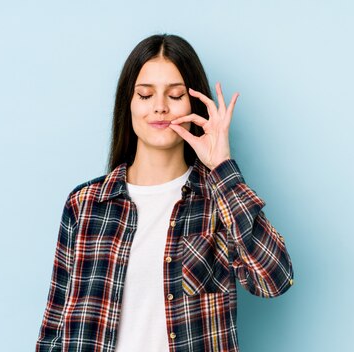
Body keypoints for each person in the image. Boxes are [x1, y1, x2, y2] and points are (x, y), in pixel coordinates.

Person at [35, 33, 295, 352]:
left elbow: (274, 279)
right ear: (127, 105)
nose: (159, 107)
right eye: (145, 95)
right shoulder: (86, 204)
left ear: (194, 104)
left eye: (174, 95)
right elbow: (55, 326)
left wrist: (222, 168)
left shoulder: (219, 201)